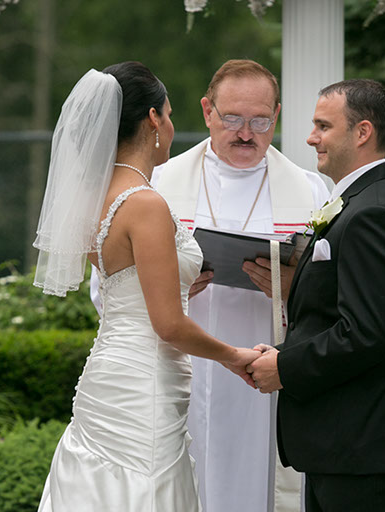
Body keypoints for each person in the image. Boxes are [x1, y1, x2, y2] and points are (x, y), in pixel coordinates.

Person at [90, 59, 330, 512]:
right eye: (233, 119)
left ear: (277, 116)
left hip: (266, 375)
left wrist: (295, 287)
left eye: (260, 121)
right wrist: (169, 287)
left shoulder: (311, 191)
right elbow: (108, 288)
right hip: (183, 371)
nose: (246, 134)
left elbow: (335, 298)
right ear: (207, 111)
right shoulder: (156, 183)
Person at [33, 62, 261, 512]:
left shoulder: (96, 198)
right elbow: (169, 326)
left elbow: (127, 290)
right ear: (153, 119)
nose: (172, 126)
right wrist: (235, 356)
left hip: (107, 378)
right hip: (144, 387)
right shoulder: (145, 204)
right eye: (169, 114)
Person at [248, 79, 385, 511]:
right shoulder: (359, 201)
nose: (311, 138)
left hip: (362, 449)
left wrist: (284, 367)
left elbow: (366, 333)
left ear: (362, 132)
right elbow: (340, 311)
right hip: (343, 447)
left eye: (323, 126)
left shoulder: (374, 212)